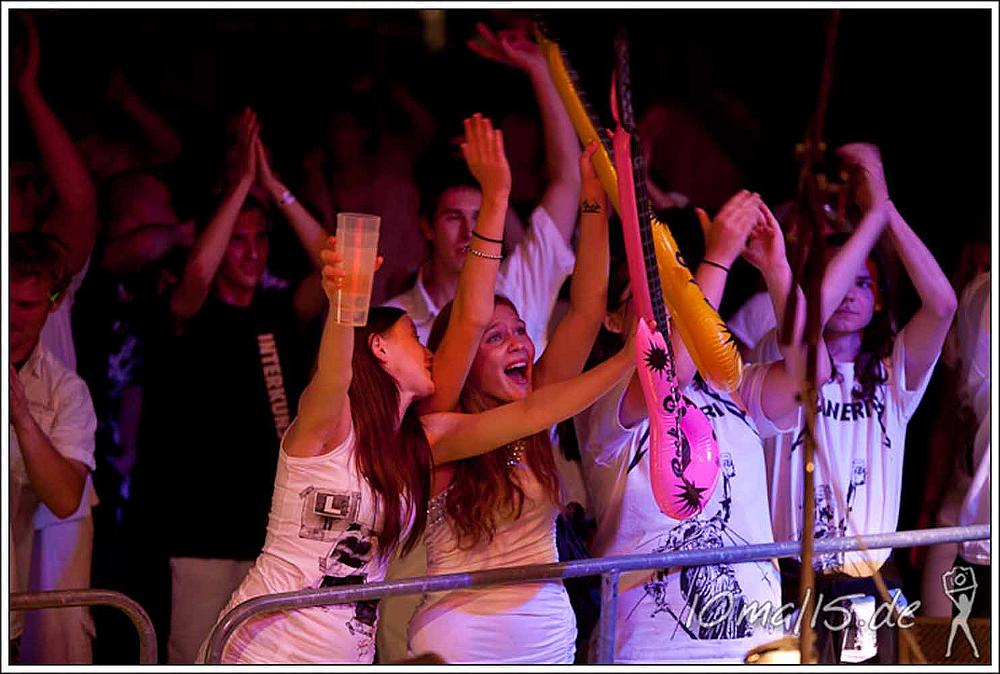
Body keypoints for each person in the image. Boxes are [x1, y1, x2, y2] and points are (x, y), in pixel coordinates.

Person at [203, 124, 635, 663]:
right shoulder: (329, 428)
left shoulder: (419, 441)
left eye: (520, 331)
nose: (430, 348)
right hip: (270, 647)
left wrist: (572, 205)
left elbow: (535, 397)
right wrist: (345, 300)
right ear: (380, 349)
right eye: (415, 336)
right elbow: (342, 371)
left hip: (359, 653)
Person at [377, 20, 582, 661]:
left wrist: (542, 72)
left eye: (479, 216)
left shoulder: (520, 283)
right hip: (433, 546)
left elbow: (569, 185)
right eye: (452, 218)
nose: (469, 232)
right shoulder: (398, 323)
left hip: (532, 534)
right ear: (424, 226)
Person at [572, 192, 816, 664]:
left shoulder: (733, 385)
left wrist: (777, 269)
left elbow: (811, 373)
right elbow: (669, 373)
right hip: (652, 651)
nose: (672, 309)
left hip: (756, 642)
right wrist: (717, 258)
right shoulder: (602, 398)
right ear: (612, 319)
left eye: (680, 295)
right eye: (654, 296)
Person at [131, 109, 330, 663]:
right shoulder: (187, 312)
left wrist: (275, 187)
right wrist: (242, 183)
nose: (252, 251)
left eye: (260, 238)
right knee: (197, 659)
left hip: (272, 534)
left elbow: (340, 269)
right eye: (237, 240)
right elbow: (197, 275)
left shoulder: (279, 310)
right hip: (201, 536)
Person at [405, 130, 611, 664]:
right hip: (462, 634)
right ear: (464, 361)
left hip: (547, 630)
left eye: (520, 330)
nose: (519, 342)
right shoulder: (440, 418)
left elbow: (587, 308)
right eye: (496, 338)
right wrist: (496, 197)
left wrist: (593, 201)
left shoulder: (536, 400)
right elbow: (470, 316)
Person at [762, 144, 957, 663]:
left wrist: (885, 209)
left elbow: (942, 304)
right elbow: (810, 318)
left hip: (864, 583)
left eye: (863, 283)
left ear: (879, 298)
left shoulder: (892, 375)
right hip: (787, 578)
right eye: (841, 280)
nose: (850, 293)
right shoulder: (781, 356)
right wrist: (868, 221)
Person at [10, 13, 100, 664]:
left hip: (58, 444)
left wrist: (28, 92)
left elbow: (81, 201)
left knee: (59, 636)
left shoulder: (55, 257)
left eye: (23, 182)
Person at [9, 233, 98, 664]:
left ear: (54, 302)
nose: (10, 318)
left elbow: (65, 499)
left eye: (25, 306)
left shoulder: (66, 393)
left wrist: (21, 416)